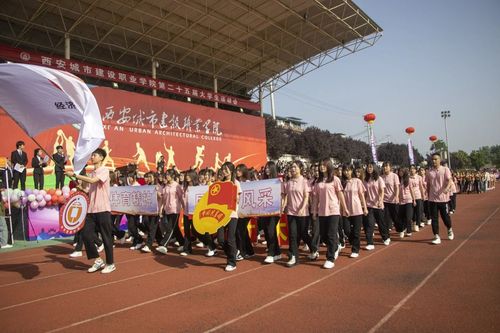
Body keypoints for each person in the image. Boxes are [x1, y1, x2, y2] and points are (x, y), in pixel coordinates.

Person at [66, 148, 115, 274]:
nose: (92, 157)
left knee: (106, 237)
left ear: (101, 158)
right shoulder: (92, 173)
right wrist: (79, 187)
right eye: (92, 155)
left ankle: (110, 263)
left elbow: (93, 181)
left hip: (103, 209)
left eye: (95, 155)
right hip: (91, 210)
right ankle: (98, 260)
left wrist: (75, 175)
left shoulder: (104, 170)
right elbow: (89, 190)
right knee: (86, 234)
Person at [312, 159, 348, 269]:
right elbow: (316, 198)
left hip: (333, 210)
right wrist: (314, 211)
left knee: (332, 233)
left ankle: (330, 258)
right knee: (324, 235)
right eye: (320, 165)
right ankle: (335, 246)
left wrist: (344, 208)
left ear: (328, 166)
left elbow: (340, 194)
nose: (322, 167)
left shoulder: (335, 179)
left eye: (324, 165)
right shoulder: (318, 182)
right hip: (322, 211)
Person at [281, 160, 314, 267]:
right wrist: (283, 206)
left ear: (300, 168)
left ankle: (314, 249)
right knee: (293, 235)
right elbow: (286, 196)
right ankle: (293, 257)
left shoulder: (305, 181)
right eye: (291, 167)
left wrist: (302, 208)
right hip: (291, 212)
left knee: (304, 234)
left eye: (295, 167)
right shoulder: (289, 182)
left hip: (303, 213)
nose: (292, 169)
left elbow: (306, 197)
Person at [426, 153, 454, 245]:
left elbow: (450, 180)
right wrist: (427, 195)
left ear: (440, 160)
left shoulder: (445, 170)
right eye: (432, 159)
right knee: (434, 218)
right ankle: (436, 236)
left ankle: (449, 229)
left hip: (443, 199)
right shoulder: (429, 172)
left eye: (436, 159)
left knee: (445, 217)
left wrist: (447, 189)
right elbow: (428, 185)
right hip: (433, 199)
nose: (434, 161)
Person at [342, 165, 368, 258]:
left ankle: (355, 249)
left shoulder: (357, 181)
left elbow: (361, 195)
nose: (346, 172)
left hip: (357, 210)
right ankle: (354, 243)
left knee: (356, 232)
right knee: (347, 230)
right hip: (346, 210)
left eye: (348, 170)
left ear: (351, 171)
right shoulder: (342, 182)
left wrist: (365, 208)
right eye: (345, 170)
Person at [363, 163, 390, 248]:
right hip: (369, 205)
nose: (369, 168)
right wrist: (363, 204)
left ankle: (385, 237)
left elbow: (381, 191)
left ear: (374, 168)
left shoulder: (379, 179)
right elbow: (365, 193)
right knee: (369, 224)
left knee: (381, 223)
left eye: (371, 167)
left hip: (378, 205)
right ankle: (370, 243)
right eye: (368, 167)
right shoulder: (366, 180)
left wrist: (380, 201)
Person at [261, 161, 282, 264]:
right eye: (266, 168)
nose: (267, 170)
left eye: (269, 168)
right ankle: (277, 253)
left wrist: (280, 210)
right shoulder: (263, 181)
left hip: (275, 211)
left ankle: (271, 254)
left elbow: (281, 196)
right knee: (267, 231)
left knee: (271, 231)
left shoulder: (278, 181)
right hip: (264, 211)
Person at [381, 161, 399, 231]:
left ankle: (401, 228)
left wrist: (396, 196)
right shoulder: (381, 177)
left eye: (386, 166)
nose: (385, 168)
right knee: (386, 217)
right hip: (384, 200)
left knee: (395, 217)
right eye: (384, 166)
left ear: (390, 167)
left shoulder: (394, 176)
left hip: (393, 200)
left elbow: (397, 187)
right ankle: (387, 231)